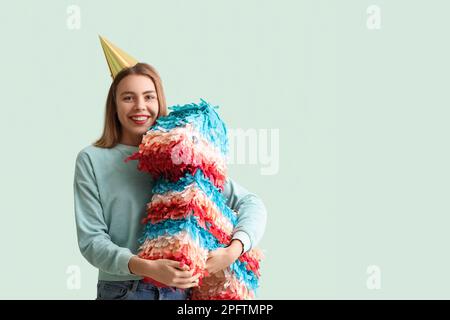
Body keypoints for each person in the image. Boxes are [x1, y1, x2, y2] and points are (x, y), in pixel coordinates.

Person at [73, 38, 267, 300]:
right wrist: (147, 267)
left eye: (148, 97)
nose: (140, 106)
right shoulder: (92, 160)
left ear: (159, 101)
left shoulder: (179, 156)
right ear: (114, 106)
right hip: (122, 291)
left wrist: (232, 251)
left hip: (180, 293)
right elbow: (92, 242)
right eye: (128, 98)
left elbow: (252, 203)